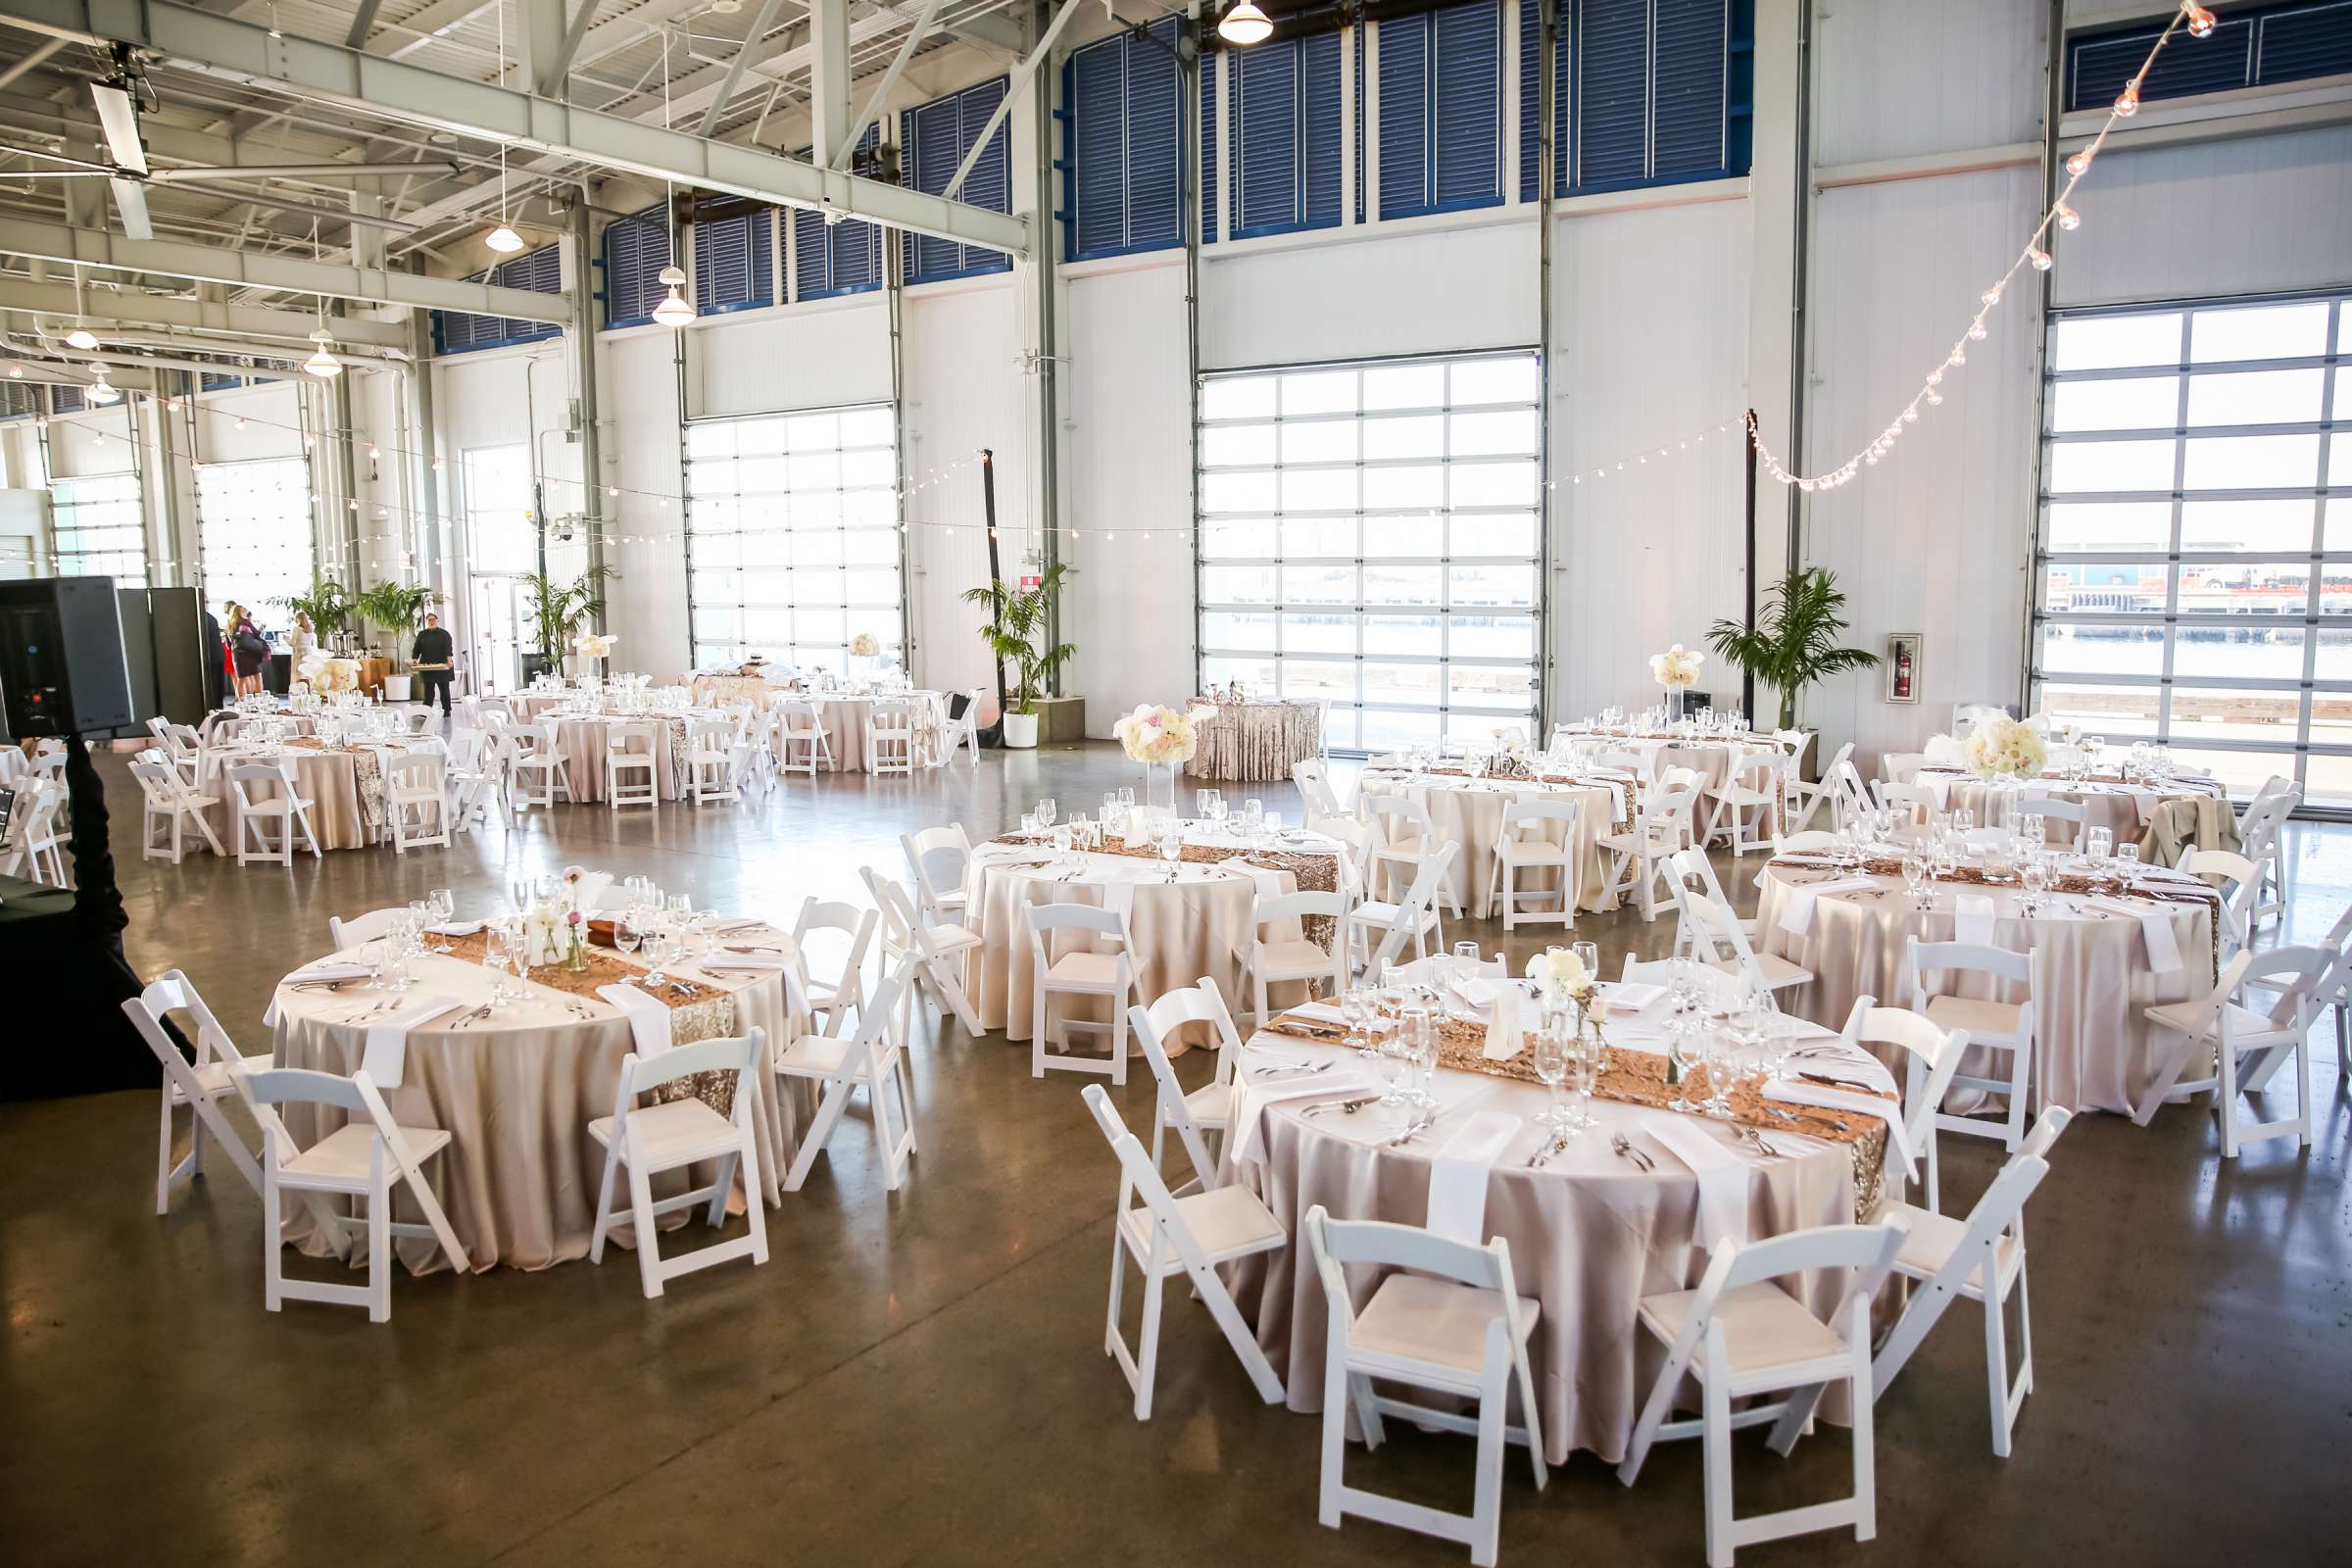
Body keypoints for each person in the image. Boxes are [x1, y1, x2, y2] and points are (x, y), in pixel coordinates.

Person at [412, 612, 455, 715]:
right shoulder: (422, 634)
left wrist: (449, 660)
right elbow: (417, 648)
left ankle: (447, 710)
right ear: (427, 622)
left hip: (442, 664)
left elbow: (448, 648)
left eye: (433, 620)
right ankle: (426, 710)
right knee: (428, 690)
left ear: (437, 621)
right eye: (429, 620)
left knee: (444, 689)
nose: (431, 622)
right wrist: (415, 659)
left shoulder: (444, 634)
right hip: (427, 665)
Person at [229, 606, 269, 699]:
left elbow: (229, 641)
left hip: (238, 653)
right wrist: (261, 629)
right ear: (240, 612)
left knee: (241, 679)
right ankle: (259, 700)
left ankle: (240, 702)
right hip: (250, 652)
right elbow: (256, 634)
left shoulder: (231, 624)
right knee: (257, 677)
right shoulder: (246, 622)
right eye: (244, 610)